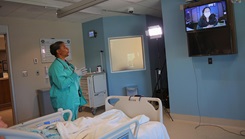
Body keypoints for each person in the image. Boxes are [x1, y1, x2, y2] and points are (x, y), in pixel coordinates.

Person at [48, 41, 87, 121]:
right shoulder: (56, 66)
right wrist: (75, 74)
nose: (67, 49)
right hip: (64, 99)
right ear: (58, 51)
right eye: (64, 47)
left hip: (72, 97)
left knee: (74, 121)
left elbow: (73, 80)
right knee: (67, 123)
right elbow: (62, 84)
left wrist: (79, 75)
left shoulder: (68, 65)